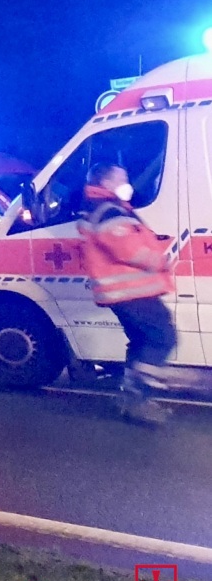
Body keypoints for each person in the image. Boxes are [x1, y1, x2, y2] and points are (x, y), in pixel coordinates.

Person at [78, 162, 178, 425]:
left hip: (125, 293)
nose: (127, 183)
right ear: (106, 182)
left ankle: (132, 399)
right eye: (121, 178)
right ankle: (137, 398)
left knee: (142, 342)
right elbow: (127, 248)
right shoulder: (108, 210)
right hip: (131, 292)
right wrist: (159, 261)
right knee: (162, 338)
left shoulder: (106, 207)